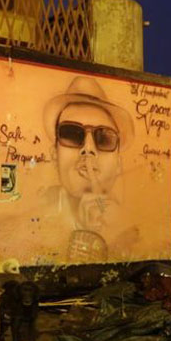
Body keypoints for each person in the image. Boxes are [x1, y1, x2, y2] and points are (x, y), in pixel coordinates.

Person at [40, 76, 137, 262]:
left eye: (104, 138)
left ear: (118, 164)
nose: (88, 148)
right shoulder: (39, 218)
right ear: (54, 154)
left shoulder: (126, 228)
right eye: (71, 134)